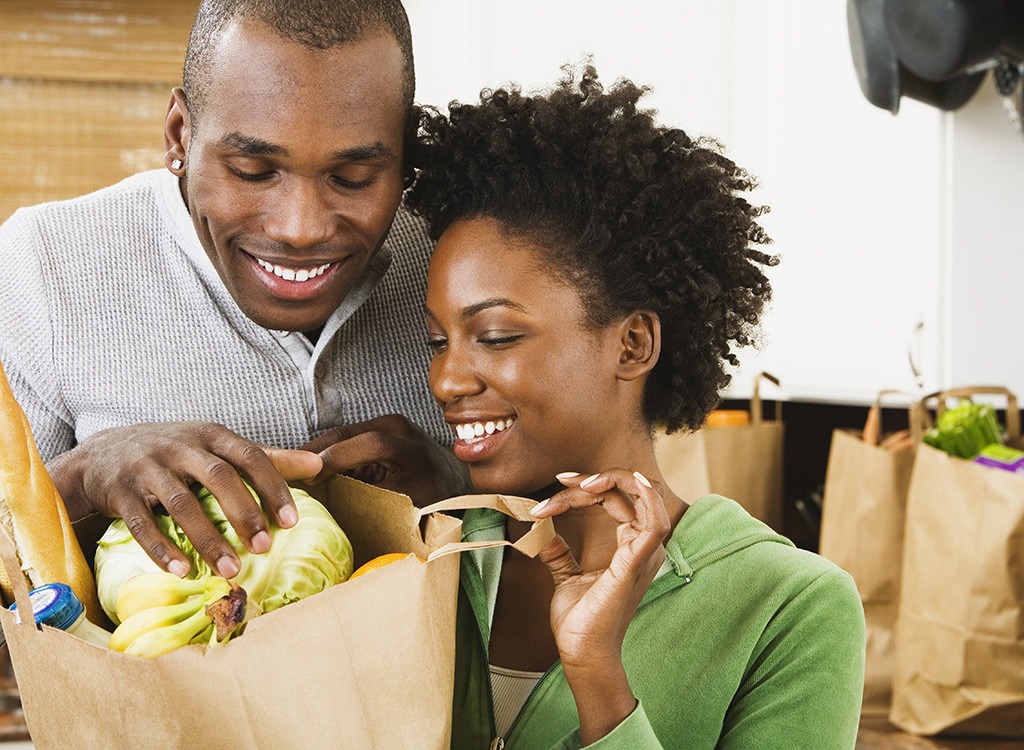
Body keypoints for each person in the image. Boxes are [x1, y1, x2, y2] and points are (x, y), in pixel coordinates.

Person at [405, 66, 866, 748]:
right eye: (438, 341)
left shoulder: (789, 607)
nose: (447, 379)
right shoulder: (426, 554)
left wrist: (598, 676)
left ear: (633, 343)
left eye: (496, 336)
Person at [0, 0, 465, 584]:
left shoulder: (460, 251)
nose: (301, 228)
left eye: (353, 179)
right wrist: (78, 478)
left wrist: (458, 490)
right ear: (179, 136)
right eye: (252, 170)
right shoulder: (43, 264)